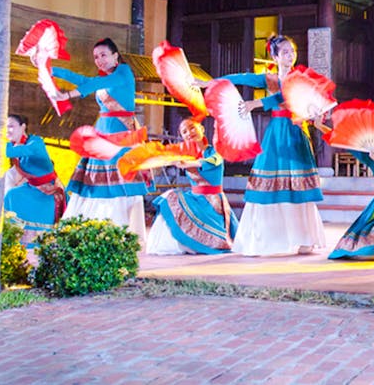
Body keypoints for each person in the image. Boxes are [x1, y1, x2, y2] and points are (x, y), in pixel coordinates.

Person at [220, 35, 326, 256]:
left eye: (292, 51)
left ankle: (305, 238)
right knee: (266, 182)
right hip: (277, 132)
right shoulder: (269, 78)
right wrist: (212, 82)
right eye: (285, 52)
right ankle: (265, 240)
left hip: (295, 131)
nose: (290, 55)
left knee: (299, 186)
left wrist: (256, 103)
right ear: (275, 56)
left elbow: (284, 96)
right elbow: (242, 78)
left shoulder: (300, 78)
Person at [51, 37, 149, 243]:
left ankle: (116, 235)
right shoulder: (104, 78)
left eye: (103, 55)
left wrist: (68, 95)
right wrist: (51, 70)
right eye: (96, 57)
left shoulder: (123, 72)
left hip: (121, 136)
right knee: (93, 185)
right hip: (102, 134)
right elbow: (86, 81)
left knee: (118, 188)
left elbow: (95, 83)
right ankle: (88, 232)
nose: (99, 60)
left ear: (115, 55)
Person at [0, 113, 65, 248]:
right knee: (11, 196)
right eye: (5, 127)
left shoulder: (35, 142)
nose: (8, 130)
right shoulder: (12, 146)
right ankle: (12, 240)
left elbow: (7, 151)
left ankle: (39, 243)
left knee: (16, 197)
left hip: (49, 190)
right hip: (31, 188)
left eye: (11, 126)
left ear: (23, 127)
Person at [145, 118, 238, 255]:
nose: (189, 133)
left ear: (202, 129)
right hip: (195, 199)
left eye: (192, 128)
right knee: (169, 198)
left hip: (212, 203)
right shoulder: (186, 155)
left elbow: (214, 161)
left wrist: (190, 164)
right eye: (184, 131)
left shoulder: (215, 151)